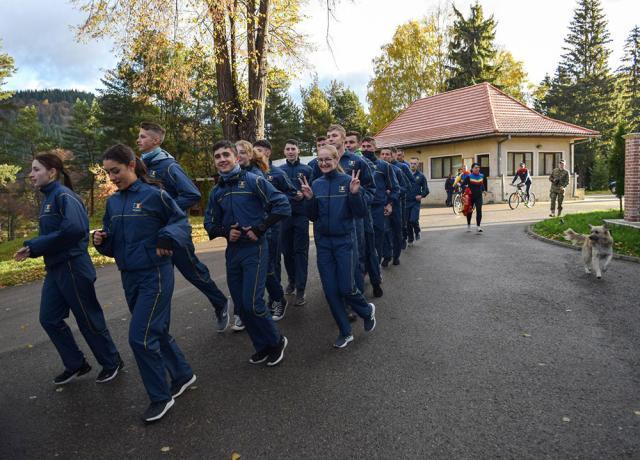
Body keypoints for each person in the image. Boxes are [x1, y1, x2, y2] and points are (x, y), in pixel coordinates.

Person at [94, 144, 196, 423]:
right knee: (157, 331)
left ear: (131, 165)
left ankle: (160, 397)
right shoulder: (113, 202)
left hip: (156, 275)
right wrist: (101, 242)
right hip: (130, 277)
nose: (112, 177)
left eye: (116, 171)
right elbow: (114, 245)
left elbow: (181, 224)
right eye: (108, 173)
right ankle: (184, 374)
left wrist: (167, 237)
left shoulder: (155, 195)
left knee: (140, 338)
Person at [14, 152, 122, 386]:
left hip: (73, 266)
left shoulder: (64, 196)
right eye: (31, 170)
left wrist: (34, 245)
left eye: (35, 169)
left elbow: (74, 230)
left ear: (51, 172)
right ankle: (76, 364)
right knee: (49, 319)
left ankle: (112, 362)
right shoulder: (48, 199)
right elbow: (55, 234)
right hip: (55, 269)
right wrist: (32, 248)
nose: (31, 174)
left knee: (88, 318)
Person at [137, 122, 230, 333]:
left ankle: (220, 303)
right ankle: (161, 330)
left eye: (143, 137)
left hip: (176, 232)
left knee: (194, 273)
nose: (138, 140)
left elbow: (192, 194)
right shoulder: (142, 166)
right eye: (139, 136)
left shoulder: (168, 166)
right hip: (157, 235)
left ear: (156, 140)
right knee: (161, 283)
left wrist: (165, 210)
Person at [204, 140, 290, 366]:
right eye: (217, 156)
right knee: (241, 306)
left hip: (255, 249)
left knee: (253, 303)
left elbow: (282, 205)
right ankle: (261, 346)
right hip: (233, 252)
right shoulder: (216, 191)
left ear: (236, 158)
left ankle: (277, 340)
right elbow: (209, 223)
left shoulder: (254, 181)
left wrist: (260, 228)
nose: (222, 159)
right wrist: (225, 232)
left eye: (226, 155)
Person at [299, 145, 376, 348]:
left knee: (346, 287)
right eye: (320, 160)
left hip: (344, 242)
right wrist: (309, 199)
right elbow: (312, 216)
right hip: (324, 244)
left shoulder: (348, 181)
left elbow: (359, 213)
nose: (323, 163)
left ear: (336, 159)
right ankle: (345, 331)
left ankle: (367, 311)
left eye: (327, 159)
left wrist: (354, 194)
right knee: (331, 291)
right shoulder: (315, 184)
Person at [253, 139, 299, 321]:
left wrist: (275, 204)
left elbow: (291, 192)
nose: (255, 153)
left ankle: (276, 299)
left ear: (268, 153)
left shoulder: (277, 173)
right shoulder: (248, 173)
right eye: (254, 150)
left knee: (272, 262)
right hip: (252, 226)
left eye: (259, 151)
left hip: (272, 225)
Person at [278, 139, 312, 306]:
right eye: (288, 149)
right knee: (287, 252)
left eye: (293, 148)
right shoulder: (279, 171)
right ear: (284, 152)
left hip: (301, 216)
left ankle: (300, 289)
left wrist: (304, 197)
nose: (291, 151)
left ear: (298, 151)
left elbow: (312, 192)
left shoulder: (307, 170)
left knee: (300, 252)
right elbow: (276, 193)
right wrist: (293, 196)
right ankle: (292, 280)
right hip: (284, 218)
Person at [361, 138, 399, 279]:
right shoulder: (357, 164)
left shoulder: (384, 166)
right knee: (362, 241)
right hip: (361, 208)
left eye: (369, 146)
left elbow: (394, 188)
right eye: (363, 146)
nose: (365, 149)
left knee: (376, 241)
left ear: (375, 147)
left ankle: (375, 271)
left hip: (378, 209)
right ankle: (363, 270)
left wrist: (390, 204)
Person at [381, 147, 408, 266]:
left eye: (387, 154)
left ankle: (396, 256)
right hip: (382, 206)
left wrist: (392, 193)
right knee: (385, 232)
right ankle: (387, 256)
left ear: (392, 156)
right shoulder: (377, 170)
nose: (385, 156)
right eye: (382, 154)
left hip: (396, 206)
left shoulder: (397, 170)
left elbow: (405, 187)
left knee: (397, 231)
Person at [406, 158, 429, 244]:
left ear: (418, 164)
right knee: (407, 222)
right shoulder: (405, 175)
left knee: (413, 219)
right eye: (411, 163)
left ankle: (417, 231)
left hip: (415, 202)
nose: (413, 165)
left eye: (415, 163)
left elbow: (426, 189)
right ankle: (410, 239)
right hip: (406, 201)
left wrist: (421, 195)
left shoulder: (421, 176)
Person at [462, 162, 488, 232]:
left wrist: (484, 190)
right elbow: (463, 185)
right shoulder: (469, 176)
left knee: (479, 210)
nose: (477, 169)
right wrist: (466, 188)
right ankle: (468, 225)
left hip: (479, 196)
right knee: (469, 211)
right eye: (475, 167)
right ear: (472, 169)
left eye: (478, 167)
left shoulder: (482, 176)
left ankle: (478, 226)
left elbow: (481, 184)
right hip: (470, 197)